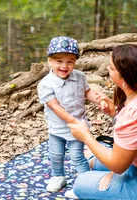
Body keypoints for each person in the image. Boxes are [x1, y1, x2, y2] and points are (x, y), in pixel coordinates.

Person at [66, 44, 137, 200]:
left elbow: (118, 166)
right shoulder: (131, 103)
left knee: (81, 183)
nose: (107, 68)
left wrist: (86, 137)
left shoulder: (133, 112)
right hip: (131, 162)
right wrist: (115, 113)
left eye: (111, 67)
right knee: (95, 162)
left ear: (124, 77)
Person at [37, 36, 107, 193]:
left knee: (77, 156)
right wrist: (74, 121)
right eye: (59, 61)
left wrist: (98, 99)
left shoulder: (79, 76)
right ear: (49, 61)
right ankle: (58, 176)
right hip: (58, 128)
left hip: (78, 129)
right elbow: (56, 107)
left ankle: (86, 182)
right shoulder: (46, 84)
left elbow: (87, 91)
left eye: (70, 61)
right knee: (55, 155)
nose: (64, 65)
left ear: (75, 62)